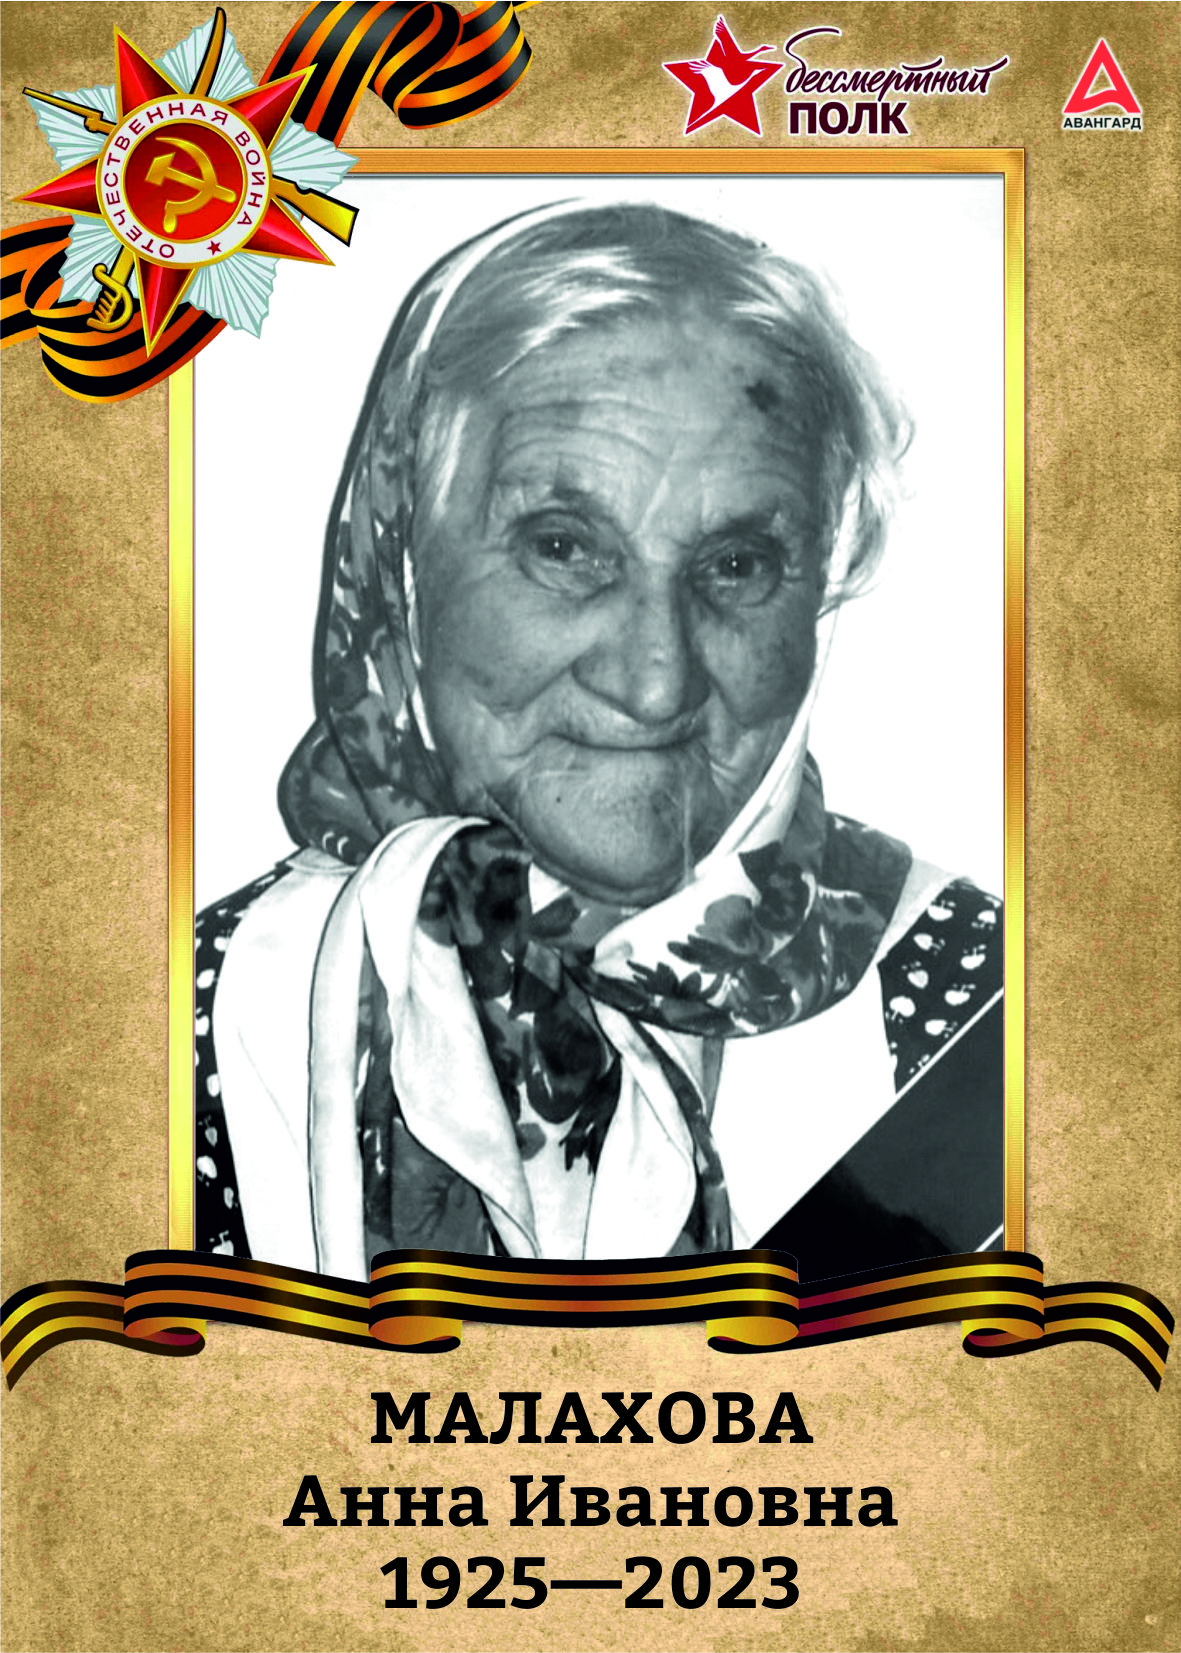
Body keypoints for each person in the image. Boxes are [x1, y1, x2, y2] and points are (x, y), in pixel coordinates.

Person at [193, 200, 1003, 1281]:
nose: (655, 679)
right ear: (401, 568)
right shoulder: (176, 1035)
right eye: (564, 547)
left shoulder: (985, 1008)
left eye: (736, 565)